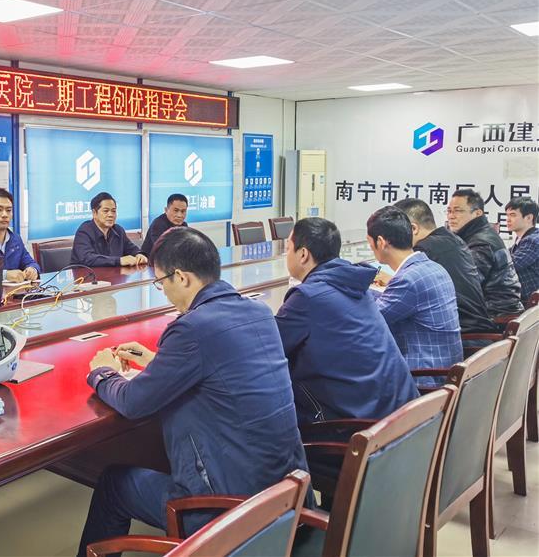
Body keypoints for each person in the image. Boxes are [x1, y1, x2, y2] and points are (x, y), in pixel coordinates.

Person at [77, 227, 307, 556]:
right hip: (284, 494)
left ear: (182, 277)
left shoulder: (191, 327)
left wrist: (102, 372)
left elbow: (133, 402)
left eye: (161, 283)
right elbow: (220, 371)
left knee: (114, 483)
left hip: (229, 510)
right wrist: (157, 361)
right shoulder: (258, 313)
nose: (164, 293)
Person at [275, 217, 418, 426]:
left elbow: (270, 348)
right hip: (398, 414)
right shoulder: (354, 284)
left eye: (288, 249)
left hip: (356, 427)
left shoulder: (307, 297)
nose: (286, 255)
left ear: (303, 254)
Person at [367, 206, 462, 387]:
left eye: (369, 242)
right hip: (445, 372)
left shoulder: (408, 280)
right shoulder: (432, 268)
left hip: (424, 380)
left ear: (380, 242)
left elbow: (371, 319)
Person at [395, 198, 494, 334]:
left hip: (463, 334)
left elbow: (403, 296)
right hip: (476, 328)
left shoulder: (424, 250)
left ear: (413, 228)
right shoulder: (452, 239)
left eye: (396, 232)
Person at [447, 189, 523, 320]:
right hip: (497, 308)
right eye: (449, 211)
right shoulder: (478, 234)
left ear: (477, 213)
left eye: (457, 211)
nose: (451, 216)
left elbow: (467, 285)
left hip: (495, 314)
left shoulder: (481, 242)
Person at [71, 192, 148, 268]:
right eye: (106, 211)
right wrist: (119, 261)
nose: (111, 215)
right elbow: (87, 258)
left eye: (113, 211)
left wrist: (139, 254)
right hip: (86, 275)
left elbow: (131, 249)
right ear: (94, 213)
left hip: (114, 275)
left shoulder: (118, 230)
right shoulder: (84, 232)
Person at [506, 196, 539, 306]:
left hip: (530, 306)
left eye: (513, 215)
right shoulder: (521, 239)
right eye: (507, 215)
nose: (508, 219)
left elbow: (510, 265)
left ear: (529, 217)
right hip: (524, 302)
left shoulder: (533, 240)